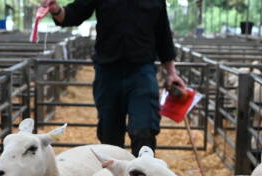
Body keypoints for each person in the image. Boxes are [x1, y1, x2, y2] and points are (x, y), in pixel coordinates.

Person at [40, 0, 185, 156]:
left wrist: (171, 72)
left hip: (141, 72)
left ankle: (143, 168)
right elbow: (73, 14)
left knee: (144, 130)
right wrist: (56, 9)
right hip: (108, 73)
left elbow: (163, 34)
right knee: (110, 136)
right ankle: (113, 170)